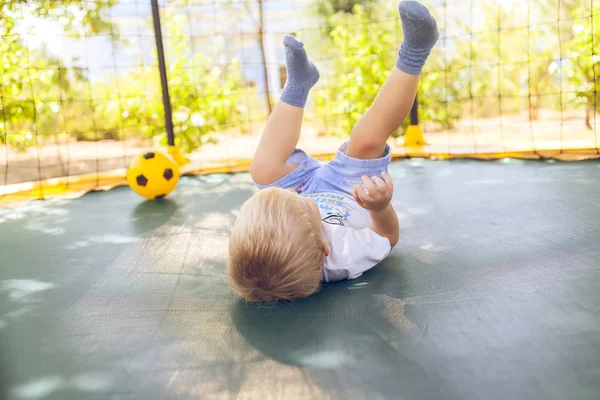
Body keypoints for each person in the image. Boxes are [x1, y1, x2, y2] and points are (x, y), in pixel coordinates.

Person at [227, 1, 439, 302]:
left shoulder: (262, 251)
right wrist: (379, 208)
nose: (293, 198)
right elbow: (388, 239)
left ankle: (298, 85)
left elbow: (276, 225)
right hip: (350, 194)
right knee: (365, 140)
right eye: (297, 204)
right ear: (324, 247)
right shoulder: (344, 257)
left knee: (262, 170)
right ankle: (416, 50)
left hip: (307, 188)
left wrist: (294, 201)